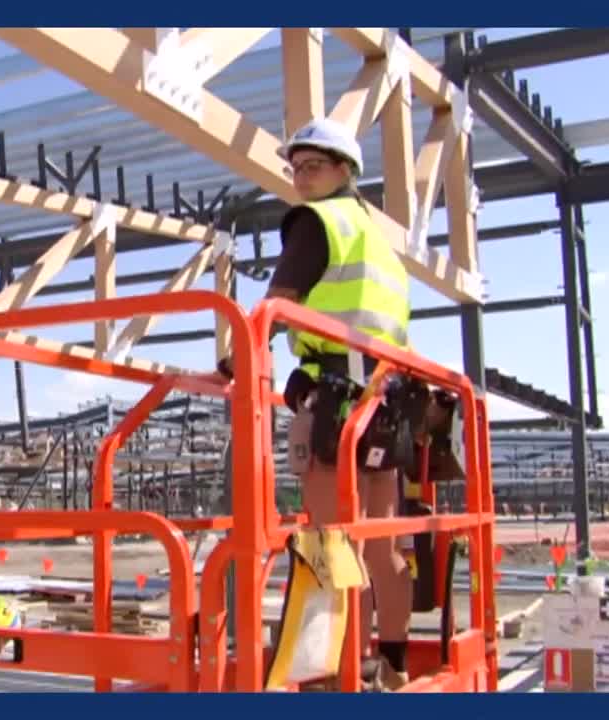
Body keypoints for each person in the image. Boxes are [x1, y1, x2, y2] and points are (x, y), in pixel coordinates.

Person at [216, 117, 415, 690]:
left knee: (328, 538)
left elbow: (275, 306)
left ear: (345, 171)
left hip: (335, 402)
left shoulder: (316, 222)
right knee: (379, 541)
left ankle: (332, 674)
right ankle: (391, 665)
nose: (301, 178)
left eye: (313, 166)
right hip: (383, 403)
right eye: (295, 168)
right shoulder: (378, 238)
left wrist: (232, 365)